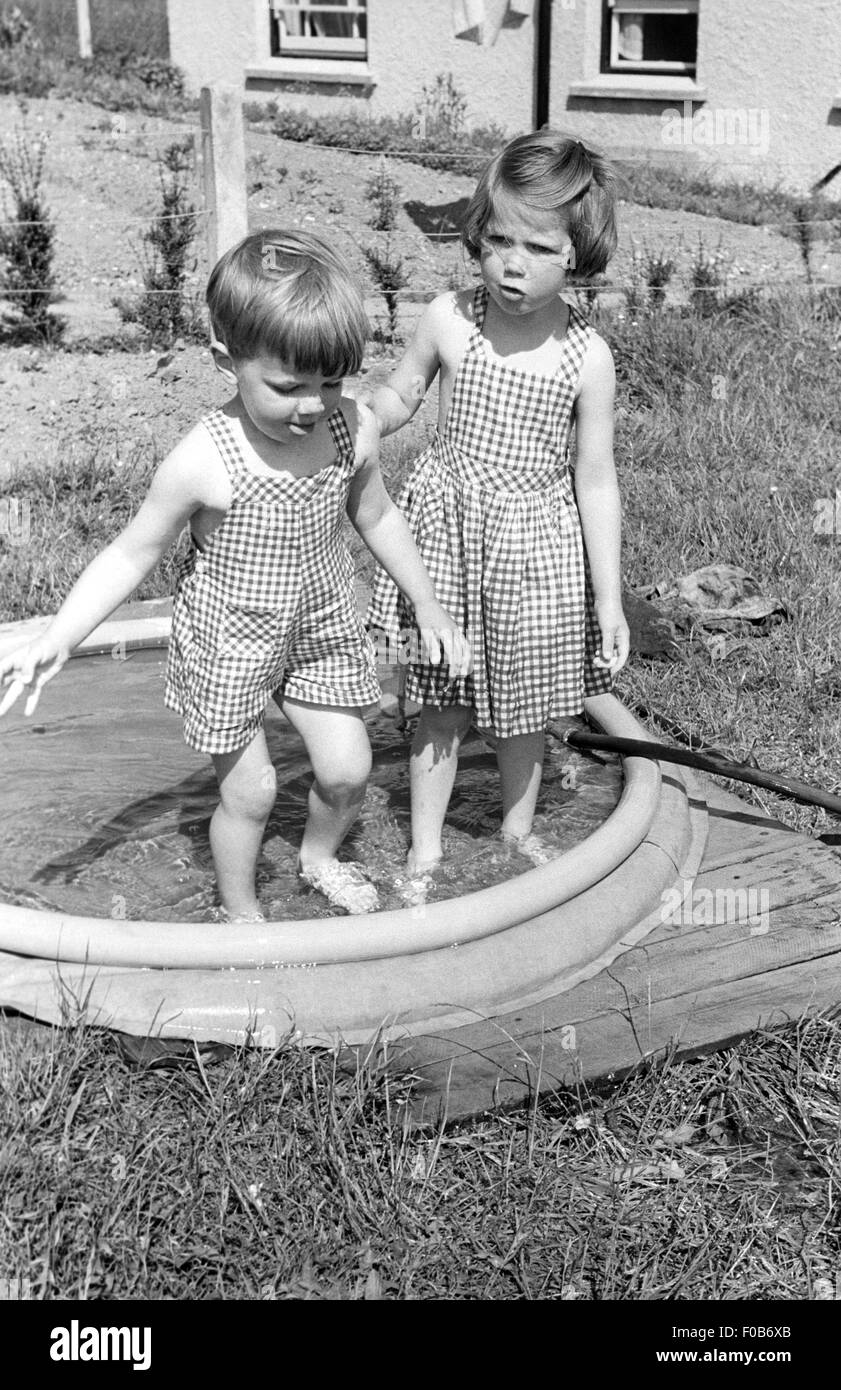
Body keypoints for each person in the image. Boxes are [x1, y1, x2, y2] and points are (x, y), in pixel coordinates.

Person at [0, 230, 470, 920]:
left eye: (330, 380)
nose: (312, 404)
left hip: (319, 626)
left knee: (347, 773)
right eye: (287, 386)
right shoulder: (204, 459)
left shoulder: (351, 428)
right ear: (227, 362)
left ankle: (316, 855)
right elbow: (132, 553)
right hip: (230, 642)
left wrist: (426, 603)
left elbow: (377, 519)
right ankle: (241, 914)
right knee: (250, 792)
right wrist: (60, 635)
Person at [366, 131, 630, 889]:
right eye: (498, 240)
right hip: (447, 532)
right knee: (440, 700)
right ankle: (425, 849)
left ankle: (515, 830)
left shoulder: (586, 358)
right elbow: (401, 393)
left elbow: (596, 478)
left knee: (523, 707)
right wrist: (365, 419)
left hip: (533, 549)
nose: (511, 262)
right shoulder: (451, 317)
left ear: (576, 254)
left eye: (537, 246)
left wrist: (607, 598)